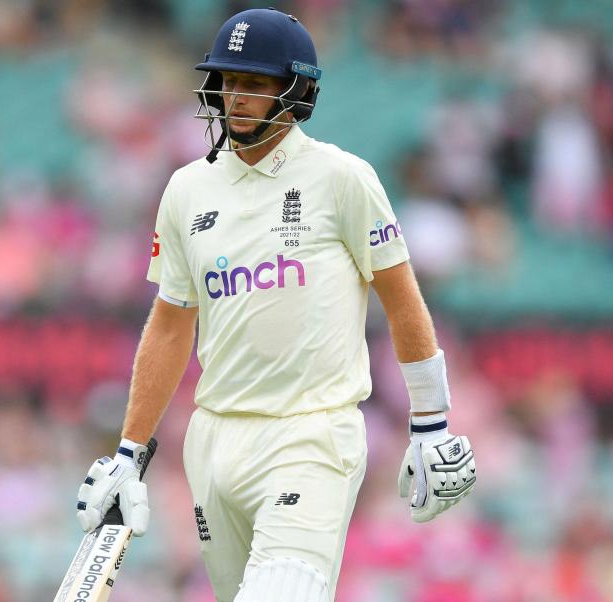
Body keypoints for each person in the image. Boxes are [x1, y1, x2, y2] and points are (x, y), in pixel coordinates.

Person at [74, 8, 476, 602]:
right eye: (228, 81)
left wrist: (431, 421)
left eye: (255, 84)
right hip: (214, 442)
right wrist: (129, 451)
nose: (235, 97)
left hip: (313, 433)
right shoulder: (187, 190)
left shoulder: (343, 178)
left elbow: (402, 300)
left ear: (296, 91)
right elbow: (169, 324)